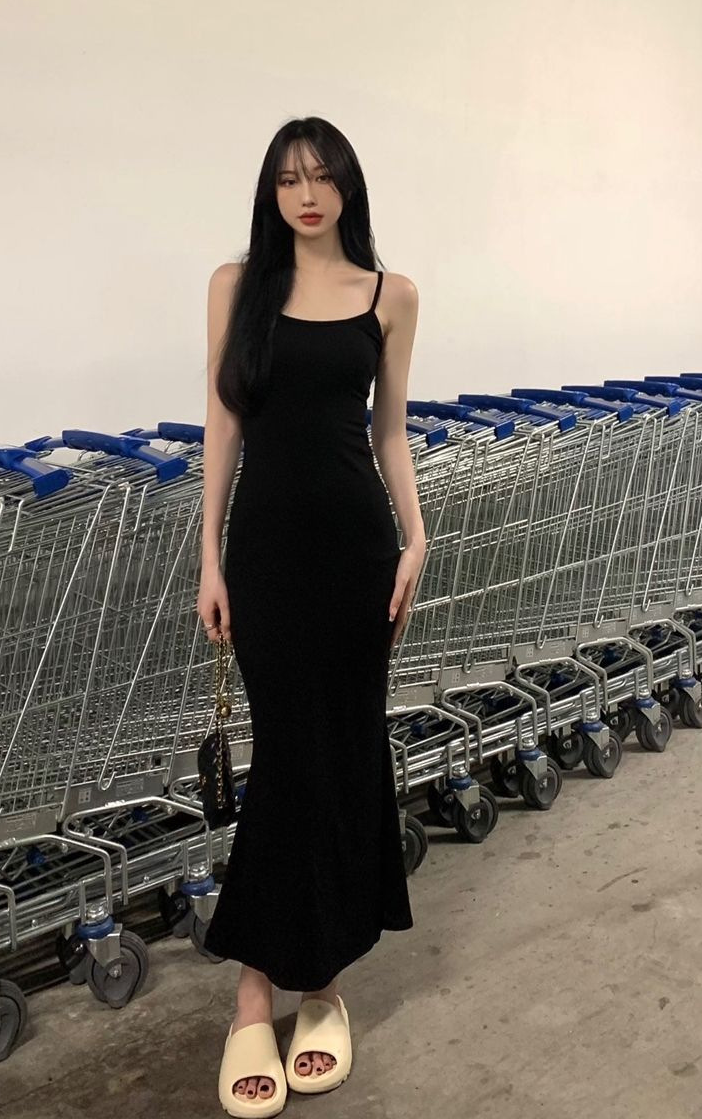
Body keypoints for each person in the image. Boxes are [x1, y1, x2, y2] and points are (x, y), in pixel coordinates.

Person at [195, 116, 426, 1116]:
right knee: (291, 757)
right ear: (271, 190)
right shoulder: (235, 286)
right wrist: (208, 556)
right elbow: (223, 424)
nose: (306, 194)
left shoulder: (391, 295)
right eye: (289, 178)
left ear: (347, 188)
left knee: (340, 755)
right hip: (267, 558)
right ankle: (263, 985)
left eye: (322, 176)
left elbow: (390, 432)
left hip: (358, 556)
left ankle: (318, 983)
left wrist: (417, 538)